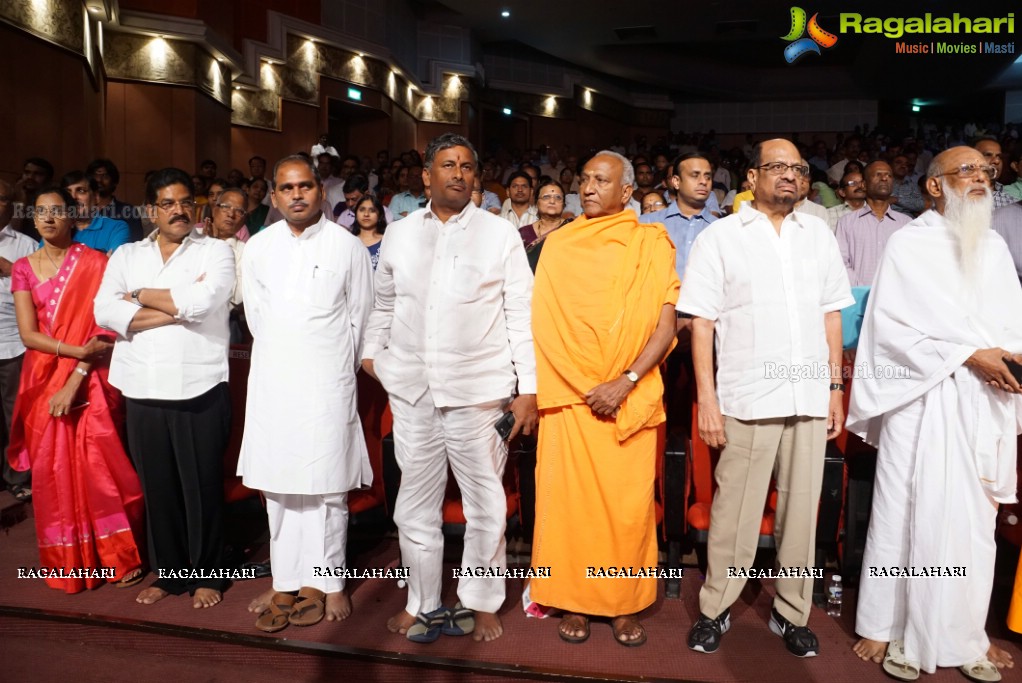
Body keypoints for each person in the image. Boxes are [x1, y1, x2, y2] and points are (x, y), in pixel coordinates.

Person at [849, 146, 1018, 682]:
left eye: (986, 172)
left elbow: (1011, 324)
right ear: (935, 186)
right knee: (904, 508)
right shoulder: (908, 245)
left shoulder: (993, 246)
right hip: (921, 401)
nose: (980, 178)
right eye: (966, 170)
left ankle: (965, 632)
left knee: (974, 522)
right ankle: (886, 621)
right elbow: (891, 330)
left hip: (982, 402)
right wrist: (969, 354)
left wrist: (1005, 362)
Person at [680, 139, 852, 658]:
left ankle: (791, 612)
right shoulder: (721, 237)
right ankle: (716, 608)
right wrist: (708, 400)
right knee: (734, 511)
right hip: (746, 398)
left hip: (808, 396)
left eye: (797, 169)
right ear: (752, 178)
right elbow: (702, 323)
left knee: (802, 512)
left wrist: (835, 387)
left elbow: (831, 315)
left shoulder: (818, 235)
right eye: (776, 167)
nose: (788, 176)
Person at [362, 133, 537, 644]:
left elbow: (519, 314)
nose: (457, 173)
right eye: (446, 165)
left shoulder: (500, 234)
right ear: (426, 177)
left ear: (476, 177)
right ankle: (422, 603)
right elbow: (385, 305)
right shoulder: (399, 234)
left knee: (485, 505)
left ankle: (482, 601)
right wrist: (374, 359)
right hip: (413, 391)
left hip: (479, 393)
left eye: (466, 166)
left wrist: (527, 388)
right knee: (413, 506)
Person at [529, 150, 679, 647]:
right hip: (572, 397)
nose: (588, 187)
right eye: (584, 178)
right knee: (568, 504)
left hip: (627, 394)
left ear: (627, 191)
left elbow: (664, 321)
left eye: (601, 180)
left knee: (626, 507)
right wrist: (582, 385)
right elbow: (544, 324)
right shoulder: (559, 244)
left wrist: (626, 380)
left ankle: (622, 604)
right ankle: (572, 599)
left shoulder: (651, 242)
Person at [239, 155, 374, 632]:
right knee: (278, 486)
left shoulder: (347, 247)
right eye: (286, 188)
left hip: (326, 382)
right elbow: (256, 319)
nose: (296, 195)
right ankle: (286, 579)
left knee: (325, 486)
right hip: (274, 379)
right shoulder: (256, 248)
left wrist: (330, 364)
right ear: (274, 196)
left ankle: (326, 580)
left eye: (305, 186)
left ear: (321, 191)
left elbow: (362, 316)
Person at [94, 167, 235, 609]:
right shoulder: (127, 255)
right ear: (151, 210)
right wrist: (172, 305)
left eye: (185, 202)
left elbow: (205, 302)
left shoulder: (216, 252)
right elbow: (104, 311)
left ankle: (208, 573)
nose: (178, 210)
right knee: (158, 487)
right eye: (168, 203)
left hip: (199, 382)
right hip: (142, 384)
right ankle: (172, 575)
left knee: (202, 485)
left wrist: (136, 297)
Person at [9, 186, 144, 592]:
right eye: (41, 212)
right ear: (32, 219)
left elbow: (104, 331)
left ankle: (118, 556)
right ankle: (71, 561)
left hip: (92, 375)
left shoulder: (96, 262)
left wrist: (76, 375)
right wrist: (72, 351)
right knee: (54, 471)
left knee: (101, 466)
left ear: (72, 218)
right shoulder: (22, 268)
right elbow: (29, 335)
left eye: (57, 212)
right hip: (41, 379)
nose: (49, 218)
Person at [0, 180, 38, 500]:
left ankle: (17, 475)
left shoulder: (25, 244)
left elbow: (42, 288)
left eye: (0, 199)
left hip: (12, 339)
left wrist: (7, 267)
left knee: (15, 415)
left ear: (12, 206)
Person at [835, 161, 911, 287]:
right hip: (859, 298)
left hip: (896, 298)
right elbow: (840, 262)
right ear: (864, 185)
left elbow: (910, 263)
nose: (884, 178)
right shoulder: (846, 222)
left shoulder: (906, 223)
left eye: (889, 175)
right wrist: (861, 290)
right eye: (878, 174)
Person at [204, 189, 247, 342]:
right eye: (226, 207)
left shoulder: (245, 251)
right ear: (215, 210)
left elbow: (236, 297)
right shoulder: (193, 237)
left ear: (244, 219)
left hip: (225, 321)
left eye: (239, 211)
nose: (231, 214)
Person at [61, 171, 131, 254]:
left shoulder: (116, 228)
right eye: (67, 192)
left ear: (96, 197)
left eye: (81, 191)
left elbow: (114, 264)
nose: (73, 197)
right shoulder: (57, 228)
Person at [518, 180, 570, 272]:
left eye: (558, 197)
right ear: (537, 203)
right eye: (546, 197)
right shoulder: (523, 233)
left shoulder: (572, 229)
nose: (552, 201)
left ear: (563, 204)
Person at [351, 194, 387, 270]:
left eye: (372, 211)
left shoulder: (387, 241)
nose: (366, 214)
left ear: (379, 215)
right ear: (356, 214)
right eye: (362, 210)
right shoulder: (349, 242)